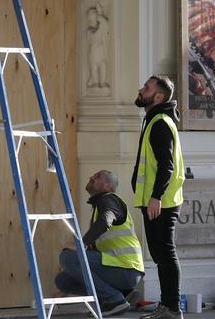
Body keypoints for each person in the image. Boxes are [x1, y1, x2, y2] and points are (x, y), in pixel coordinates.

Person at [55, 170, 144, 317]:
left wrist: (81, 245)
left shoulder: (109, 200)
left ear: (107, 186)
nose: (91, 177)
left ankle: (113, 299)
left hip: (126, 269)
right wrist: (63, 293)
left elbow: (105, 221)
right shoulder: (100, 205)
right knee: (63, 281)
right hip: (119, 269)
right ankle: (121, 294)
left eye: (97, 177)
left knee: (67, 258)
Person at [132, 76, 186, 319]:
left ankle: (172, 308)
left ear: (159, 97)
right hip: (156, 201)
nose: (141, 90)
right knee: (160, 255)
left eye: (147, 88)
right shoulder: (155, 120)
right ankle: (168, 306)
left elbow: (167, 166)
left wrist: (156, 197)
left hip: (161, 202)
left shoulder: (160, 123)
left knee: (165, 253)